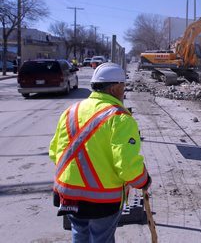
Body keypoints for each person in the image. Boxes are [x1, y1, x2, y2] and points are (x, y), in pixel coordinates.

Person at [49, 62, 151, 242]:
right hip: (101, 202)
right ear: (115, 88)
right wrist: (143, 180)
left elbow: (54, 151)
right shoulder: (120, 118)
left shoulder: (71, 111)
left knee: (80, 235)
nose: (124, 91)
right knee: (101, 238)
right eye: (123, 86)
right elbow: (126, 164)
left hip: (67, 194)